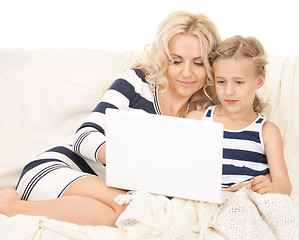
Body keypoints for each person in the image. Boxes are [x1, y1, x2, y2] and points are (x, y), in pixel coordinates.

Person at [0, 10, 221, 227]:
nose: (186, 73)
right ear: (164, 59)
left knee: (123, 215)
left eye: (198, 63)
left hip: (99, 193)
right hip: (56, 169)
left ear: (211, 65)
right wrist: (133, 158)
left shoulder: (204, 113)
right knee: (128, 208)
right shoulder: (136, 82)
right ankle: (11, 208)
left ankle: (15, 207)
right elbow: (84, 136)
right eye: (176, 61)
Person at [187, 35, 292, 195]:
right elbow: (182, 168)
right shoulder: (197, 120)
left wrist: (264, 187)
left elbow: (284, 186)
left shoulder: (267, 132)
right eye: (221, 82)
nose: (229, 91)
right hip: (203, 200)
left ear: (259, 81)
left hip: (245, 202)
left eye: (239, 82)